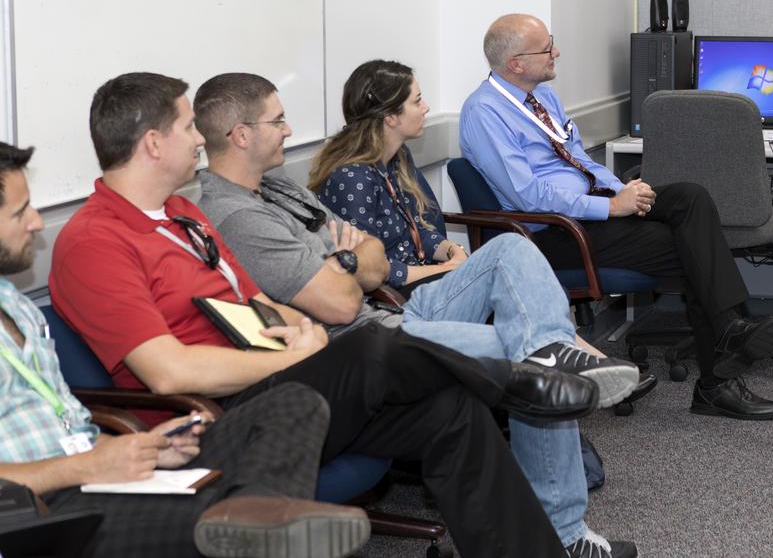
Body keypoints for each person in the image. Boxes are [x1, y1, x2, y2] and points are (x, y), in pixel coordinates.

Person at [49, 72, 599, 557]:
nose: (199, 139)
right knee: (365, 344)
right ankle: (517, 380)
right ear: (152, 143)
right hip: (213, 420)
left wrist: (298, 328)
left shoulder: (182, 213)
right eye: (188, 127)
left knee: (451, 408)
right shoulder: (96, 240)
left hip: (280, 381)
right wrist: (304, 351)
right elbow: (169, 373)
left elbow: (252, 302)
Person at [195, 70, 639, 558]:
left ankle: (554, 351)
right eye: (277, 120)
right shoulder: (238, 217)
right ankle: (565, 532)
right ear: (241, 135)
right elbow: (344, 299)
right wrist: (349, 260)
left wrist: (350, 262)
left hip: (380, 309)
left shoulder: (278, 187)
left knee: (511, 250)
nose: (287, 129)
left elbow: (375, 256)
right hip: (362, 338)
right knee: (528, 358)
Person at [0, 141, 370, 558]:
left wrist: (142, 447)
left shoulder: (14, 305)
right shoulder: (90, 242)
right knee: (235, 516)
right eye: (19, 212)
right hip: (38, 515)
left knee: (293, 403)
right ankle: (261, 527)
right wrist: (88, 466)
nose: (36, 222)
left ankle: (259, 519)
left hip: (97, 476)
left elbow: (65, 429)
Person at [460, 13, 773, 421]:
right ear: (515, 63)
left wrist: (621, 190)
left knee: (690, 198)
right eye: (547, 48)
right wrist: (610, 207)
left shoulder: (543, 98)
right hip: (551, 234)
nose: (556, 52)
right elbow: (527, 194)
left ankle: (727, 334)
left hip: (593, 213)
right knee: (689, 248)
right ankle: (717, 376)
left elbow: (579, 159)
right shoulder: (484, 113)